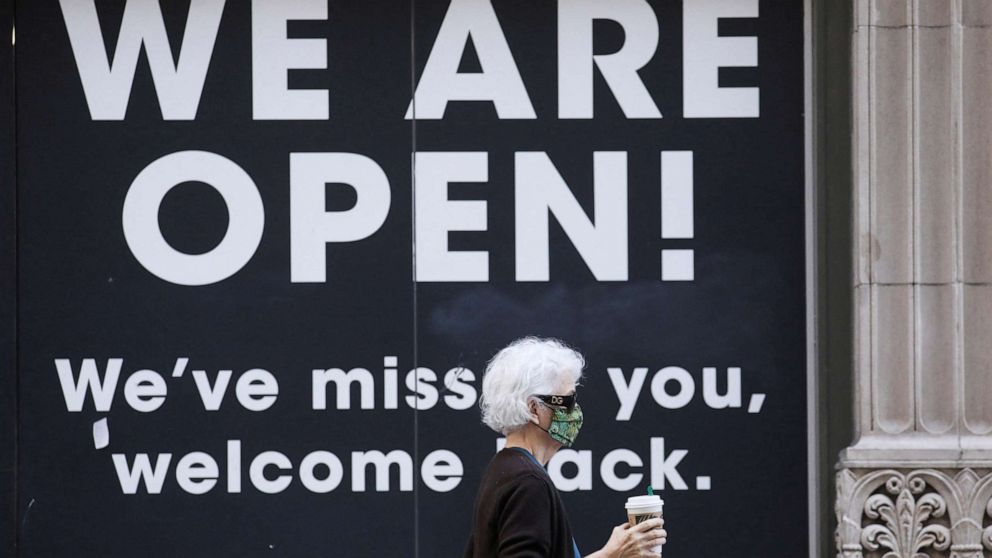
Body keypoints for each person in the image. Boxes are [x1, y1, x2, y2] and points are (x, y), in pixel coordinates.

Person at [464, 337, 668, 557]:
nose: (576, 410)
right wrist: (613, 554)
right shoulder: (528, 483)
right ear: (534, 409)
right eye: (569, 400)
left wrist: (610, 553)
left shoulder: (505, 468)